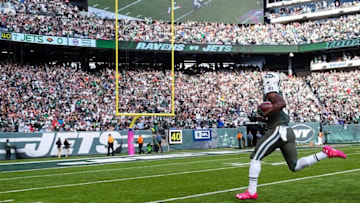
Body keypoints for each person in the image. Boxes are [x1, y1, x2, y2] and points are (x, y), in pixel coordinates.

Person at [235, 72, 347, 200]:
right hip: (287, 132)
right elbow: (279, 113)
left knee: (255, 157)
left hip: (278, 131)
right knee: (295, 166)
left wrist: (265, 115)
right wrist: (260, 118)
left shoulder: (272, 93)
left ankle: (251, 191)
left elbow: (281, 104)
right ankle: (326, 153)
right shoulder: (277, 94)